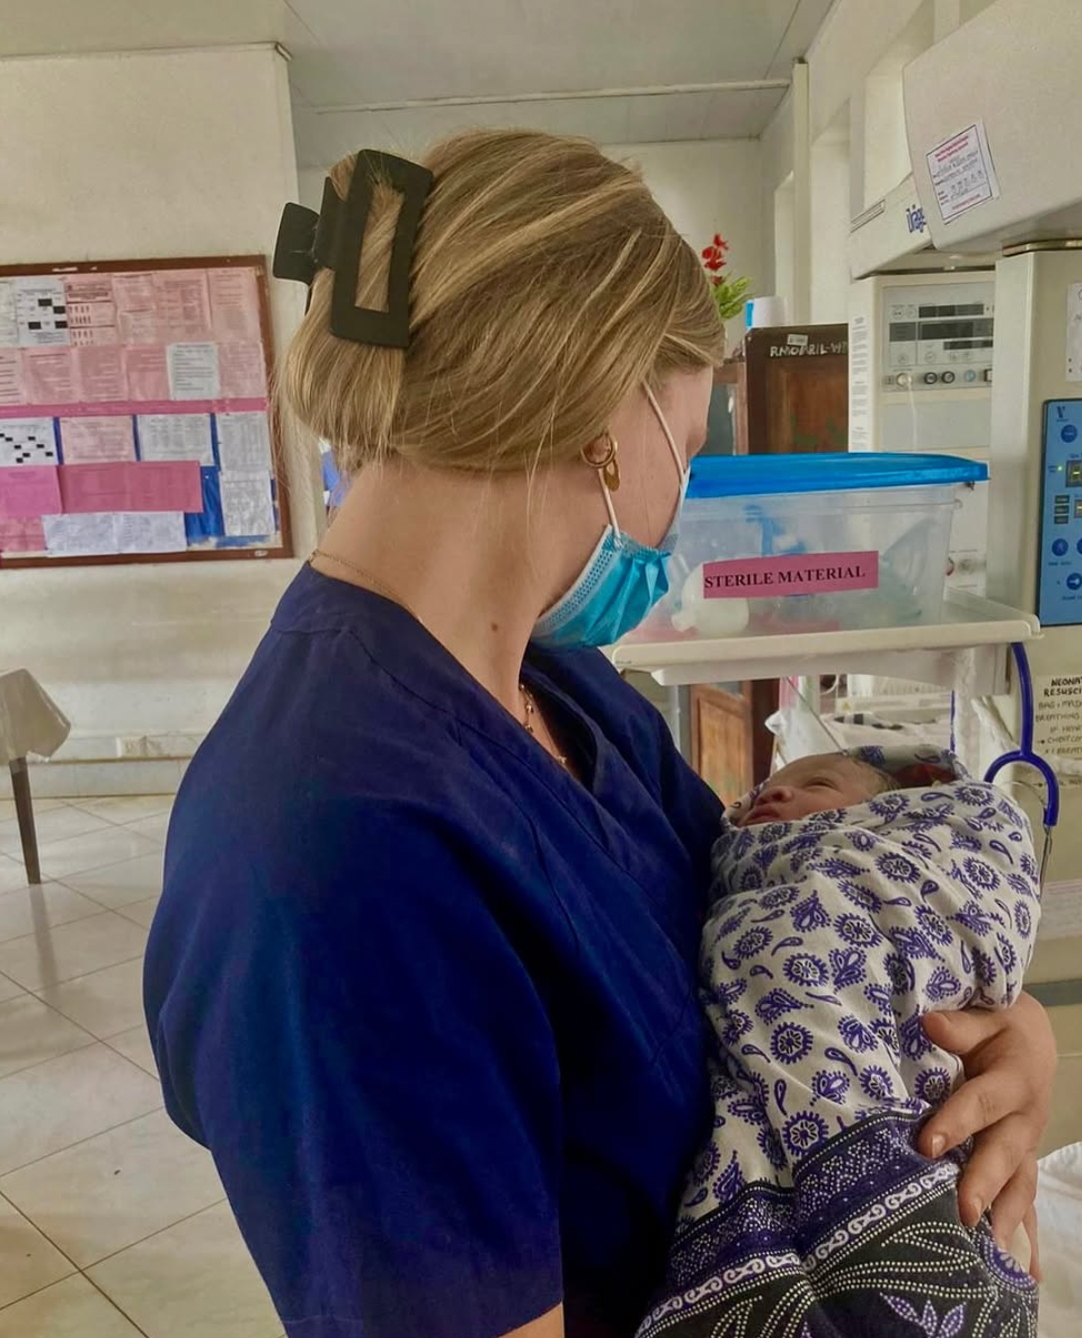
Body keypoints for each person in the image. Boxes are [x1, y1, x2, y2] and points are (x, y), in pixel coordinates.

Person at [144, 131, 1057, 1338]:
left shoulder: (554, 679)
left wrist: (1007, 1039)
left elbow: (747, 913)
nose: (679, 501)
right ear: (602, 416)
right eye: (686, 448)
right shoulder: (332, 863)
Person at [643, 747, 1041, 1337]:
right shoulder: (728, 880)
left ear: (892, 815)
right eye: (755, 799)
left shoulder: (882, 863)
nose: (769, 798)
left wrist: (1024, 1030)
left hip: (923, 1109)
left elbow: (970, 938)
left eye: (817, 783)